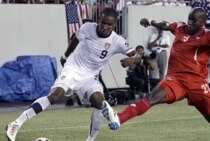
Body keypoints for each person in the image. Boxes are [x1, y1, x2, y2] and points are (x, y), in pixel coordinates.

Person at [6, 8, 139, 141]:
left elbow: (138, 55)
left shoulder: (117, 41)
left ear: (114, 25)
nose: (105, 27)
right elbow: (75, 39)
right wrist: (65, 56)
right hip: (73, 68)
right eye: (103, 22)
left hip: (90, 77)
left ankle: (90, 140)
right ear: (99, 20)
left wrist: (132, 59)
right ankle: (16, 123)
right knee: (54, 96)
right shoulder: (88, 28)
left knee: (99, 102)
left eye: (109, 24)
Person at [108, 8, 210, 141]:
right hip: (175, 79)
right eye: (189, 18)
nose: (190, 22)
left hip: (197, 83)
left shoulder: (209, 35)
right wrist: (150, 22)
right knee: (152, 97)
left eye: (194, 20)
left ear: (202, 22)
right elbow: (165, 25)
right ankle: (119, 118)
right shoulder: (180, 27)